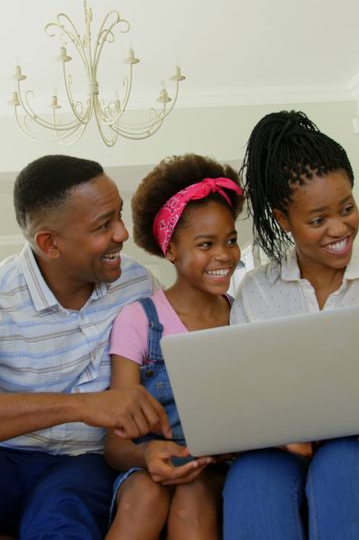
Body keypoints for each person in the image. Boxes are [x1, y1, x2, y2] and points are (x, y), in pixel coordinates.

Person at [0, 155, 170, 539]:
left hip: (81, 466)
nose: (123, 233)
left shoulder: (138, 287)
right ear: (49, 243)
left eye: (119, 215)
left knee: (62, 521)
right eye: (103, 225)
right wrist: (83, 407)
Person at [223, 110, 359, 539]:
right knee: (253, 474)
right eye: (318, 219)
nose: (340, 229)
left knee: (340, 460)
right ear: (283, 219)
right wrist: (278, 435)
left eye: (347, 208)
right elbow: (247, 397)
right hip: (288, 453)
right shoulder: (257, 292)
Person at [104, 154, 243, 540]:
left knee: (192, 496)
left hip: (221, 468)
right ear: (171, 251)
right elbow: (116, 444)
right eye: (205, 244)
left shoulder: (247, 314)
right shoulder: (139, 320)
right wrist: (146, 455)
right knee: (146, 496)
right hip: (149, 461)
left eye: (231, 240)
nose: (224, 255)